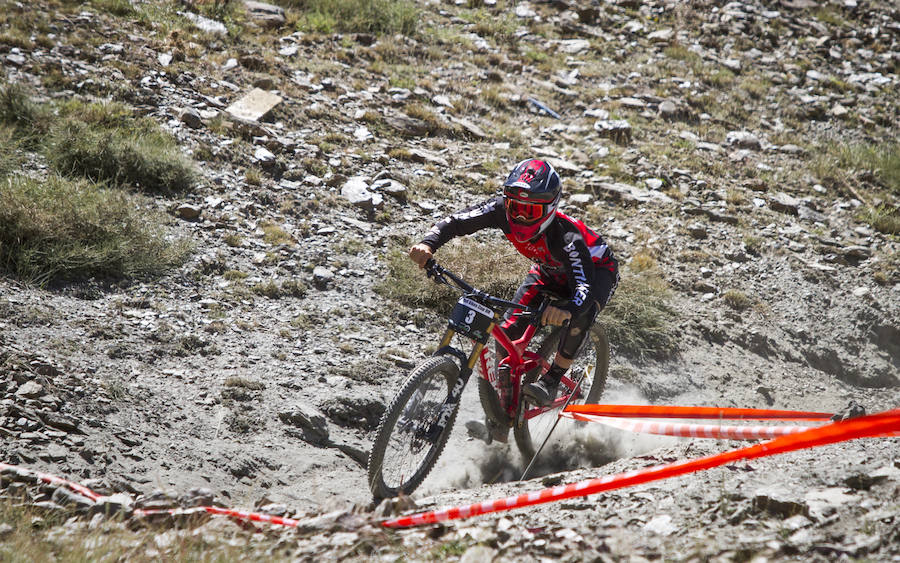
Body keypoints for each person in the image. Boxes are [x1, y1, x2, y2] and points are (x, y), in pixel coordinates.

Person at [408, 159, 619, 416]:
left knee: (580, 317)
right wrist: (428, 243)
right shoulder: (500, 212)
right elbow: (457, 221)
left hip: (595, 272)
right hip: (547, 271)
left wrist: (568, 309)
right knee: (505, 336)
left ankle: (552, 380)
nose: (519, 216)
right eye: (514, 207)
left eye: (529, 212)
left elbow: (583, 287)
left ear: (550, 209)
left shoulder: (566, 238)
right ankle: (506, 413)